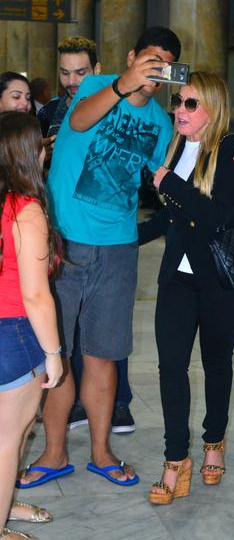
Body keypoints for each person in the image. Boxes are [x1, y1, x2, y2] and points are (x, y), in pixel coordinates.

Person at [17, 26, 181, 489]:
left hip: (117, 248)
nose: (154, 70)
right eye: (149, 58)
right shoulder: (94, 84)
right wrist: (122, 83)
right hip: (65, 241)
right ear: (131, 57)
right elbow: (80, 122)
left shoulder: (161, 123)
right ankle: (53, 453)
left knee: (103, 355)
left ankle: (102, 450)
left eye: (163, 64)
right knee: (58, 354)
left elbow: (163, 174)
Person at [138, 71, 234, 505]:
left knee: (217, 364)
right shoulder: (177, 147)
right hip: (178, 277)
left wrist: (169, 183)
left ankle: (214, 442)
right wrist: (131, 238)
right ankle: (174, 462)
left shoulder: (231, 148)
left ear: (213, 109)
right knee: (171, 367)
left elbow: (219, 214)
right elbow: (174, 220)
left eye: (190, 104)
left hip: (221, 279)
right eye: (178, 103)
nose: (179, 111)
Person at [36, 36, 134, 434]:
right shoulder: (54, 112)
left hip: (109, 240)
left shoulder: (117, 105)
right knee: (57, 340)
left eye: (80, 71)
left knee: (105, 343)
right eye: (64, 72)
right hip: (59, 236)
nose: (71, 80)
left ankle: (117, 407)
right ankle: (59, 430)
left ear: (96, 70)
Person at [0, 111, 63, 539]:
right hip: (13, 333)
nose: (45, 149)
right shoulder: (26, 210)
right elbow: (36, 296)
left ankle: (6, 502)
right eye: (40, 143)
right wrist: (54, 355)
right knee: (8, 439)